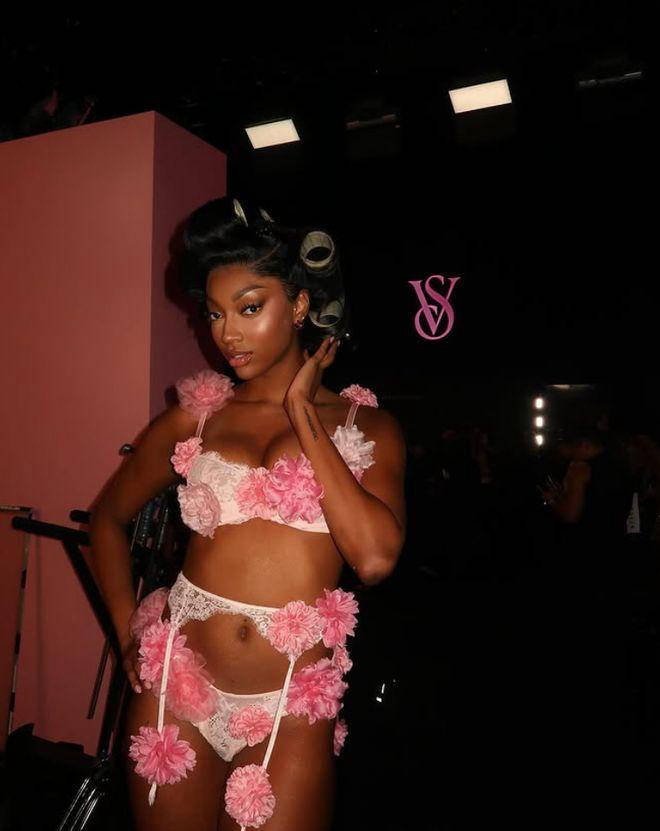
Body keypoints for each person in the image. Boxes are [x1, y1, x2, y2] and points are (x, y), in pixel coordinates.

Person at [89, 196, 407, 831]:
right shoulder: (198, 416)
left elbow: (374, 559)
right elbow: (106, 520)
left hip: (291, 703)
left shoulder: (366, 425)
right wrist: (129, 633)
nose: (226, 334)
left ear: (299, 306)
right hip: (176, 689)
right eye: (215, 313)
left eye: (250, 307)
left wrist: (302, 411)